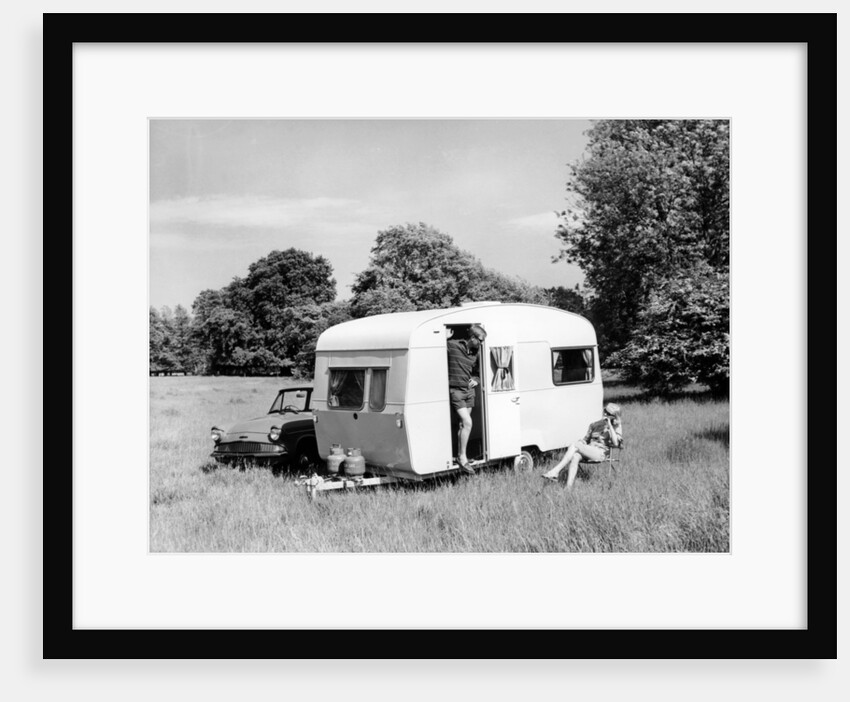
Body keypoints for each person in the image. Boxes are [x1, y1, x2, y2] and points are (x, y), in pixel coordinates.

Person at [542, 402, 623, 488]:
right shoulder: (595, 424)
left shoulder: (616, 426)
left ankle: (555, 471)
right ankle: (568, 487)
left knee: (575, 445)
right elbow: (586, 440)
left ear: (614, 416)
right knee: (575, 456)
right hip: (589, 450)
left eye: (608, 413)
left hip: (600, 453)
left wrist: (610, 425)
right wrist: (581, 442)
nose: (605, 414)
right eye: (605, 411)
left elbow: (616, 443)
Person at [447, 324, 487, 474]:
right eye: (480, 340)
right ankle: (463, 458)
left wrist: (476, 379)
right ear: (472, 338)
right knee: (468, 422)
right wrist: (443, 338)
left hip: (469, 392)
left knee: (463, 425)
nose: (481, 343)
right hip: (456, 391)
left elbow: (477, 372)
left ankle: (460, 455)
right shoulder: (453, 345)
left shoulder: (476, 353)